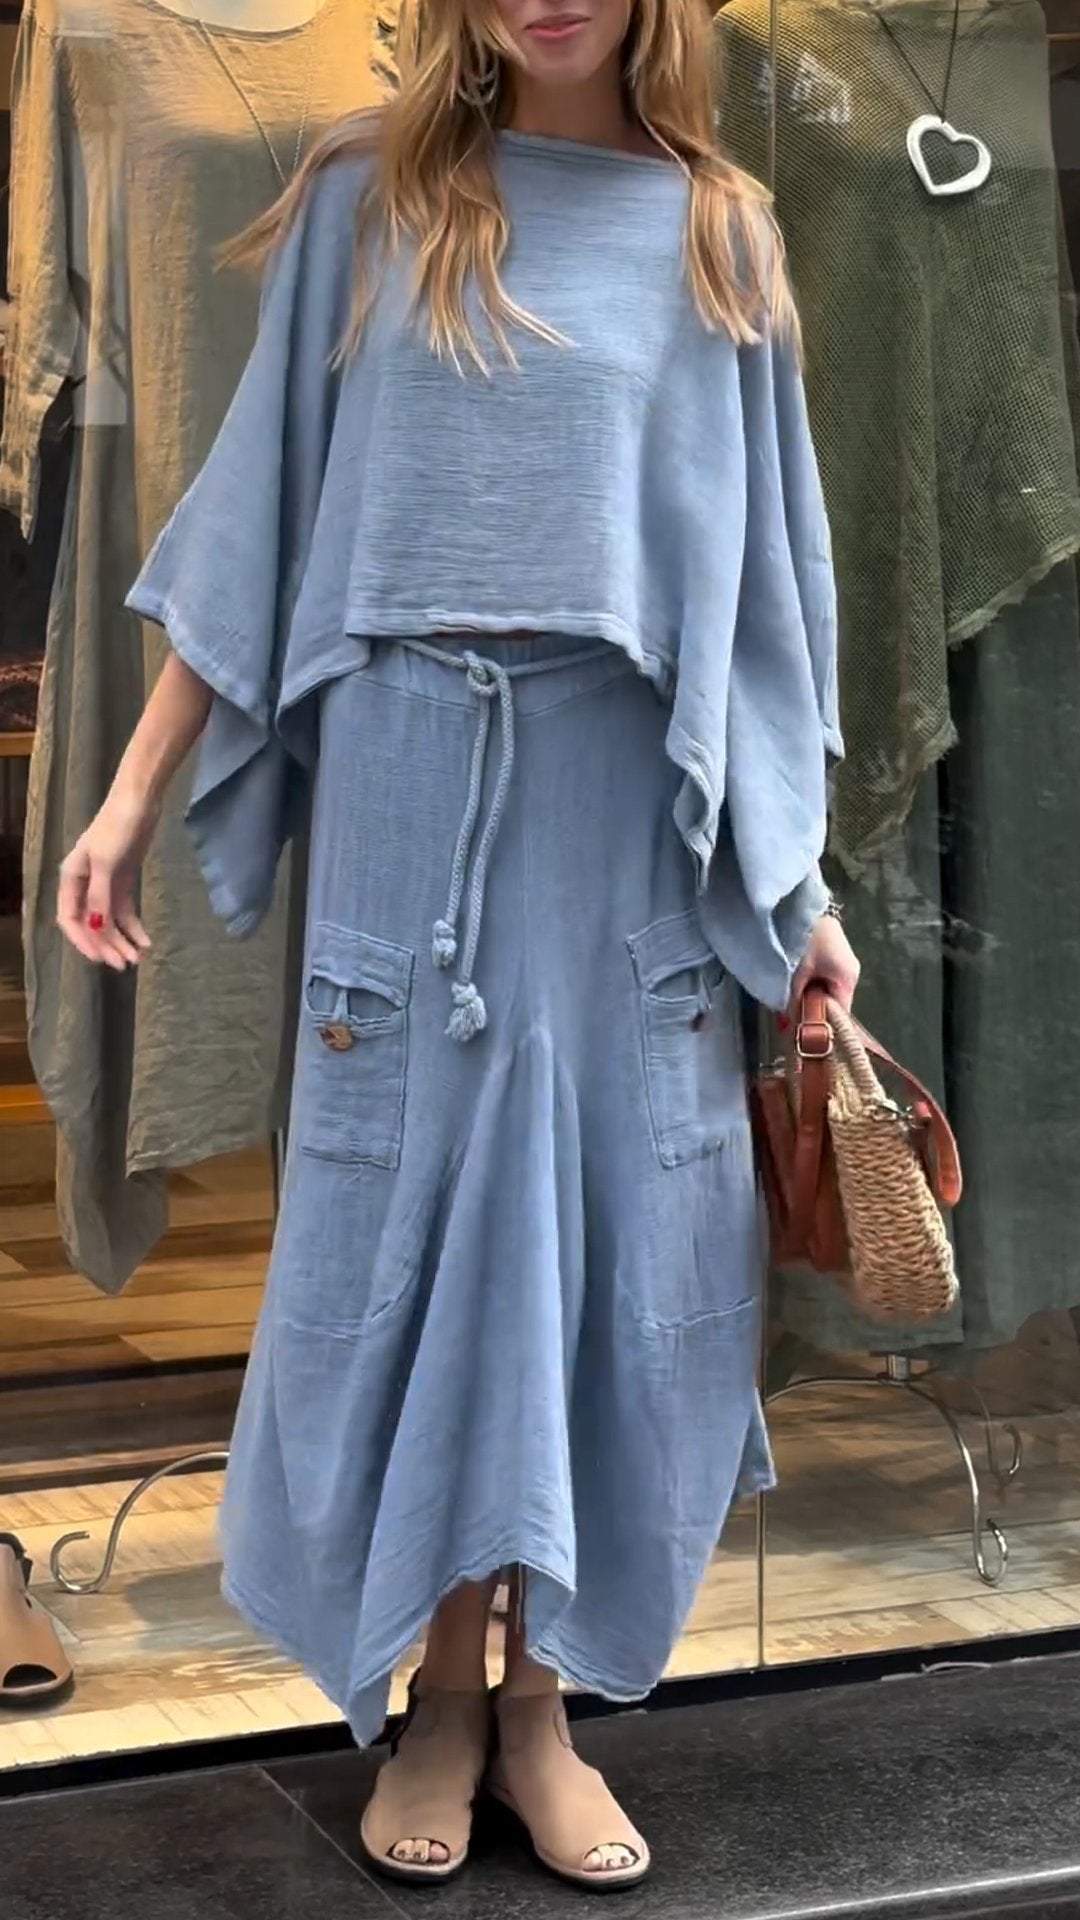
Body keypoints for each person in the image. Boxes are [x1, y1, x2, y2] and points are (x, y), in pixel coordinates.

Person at [58, 0, 860, 1892]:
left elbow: (766, 605)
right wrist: (123, 799)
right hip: (410, 784)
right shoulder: (369, 198)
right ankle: (432, 1696)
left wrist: (800, 901)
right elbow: (256, 524)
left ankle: (541, 1707)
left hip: (626, 814)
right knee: (413, 1245)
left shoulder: (722, 232)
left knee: (605, 1255)